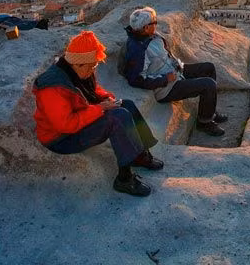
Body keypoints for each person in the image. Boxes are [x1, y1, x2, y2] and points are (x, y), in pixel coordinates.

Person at [33, 31, 163, 196]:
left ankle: (139, 155)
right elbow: (65, 125)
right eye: (92, 66)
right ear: (78, 64)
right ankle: (124, 179)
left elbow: (94, 91)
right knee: (117, 118)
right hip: (61, 139)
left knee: (127, 105)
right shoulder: (53, 88)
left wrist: (107, 99)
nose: (93, 69)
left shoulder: (79, 71)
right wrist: (100, 108)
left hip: (81, 117)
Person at [122, 6, 227, 136]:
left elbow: (166, 55)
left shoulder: (152, 36)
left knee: (208, 68)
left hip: (177, 72)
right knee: (208, 85)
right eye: (154, 23)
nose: (156, 25)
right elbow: (136, 79)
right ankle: (204, 122)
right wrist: (165, 79)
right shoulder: (138, 50)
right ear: (145, 28)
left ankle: (209, 112)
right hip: (167, 88)